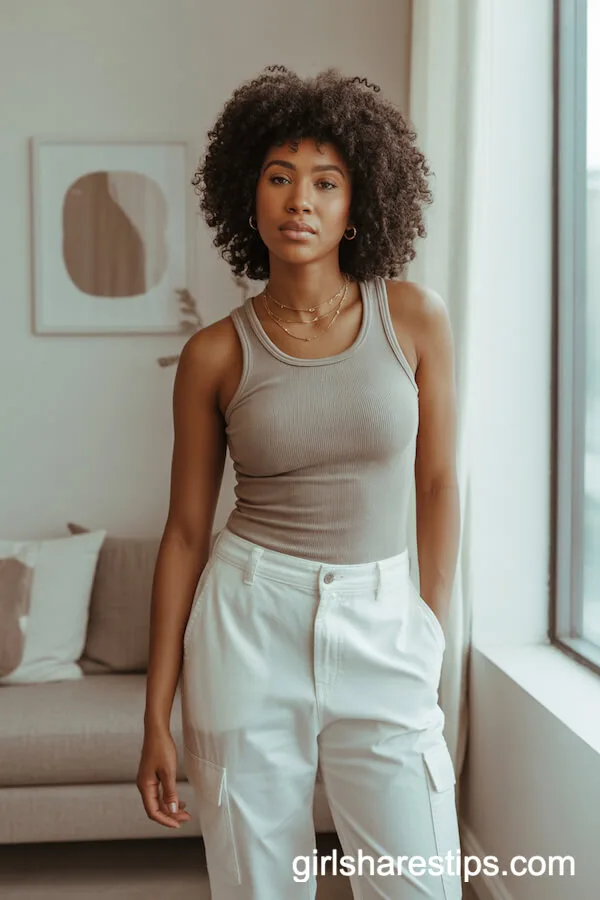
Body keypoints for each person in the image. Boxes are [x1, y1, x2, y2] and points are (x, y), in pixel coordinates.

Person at [136, 64, 462, 900]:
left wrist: (427, 624)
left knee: (418, 883)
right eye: (278, 179)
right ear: (249, 199)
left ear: (360, 202)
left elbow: (437, 486)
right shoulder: (215, 353)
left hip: (384, 620)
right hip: (249, 622)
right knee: (259, 887)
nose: (300, 201)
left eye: (326, 181)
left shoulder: (415, 319)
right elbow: (183, 534)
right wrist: (156, 715)